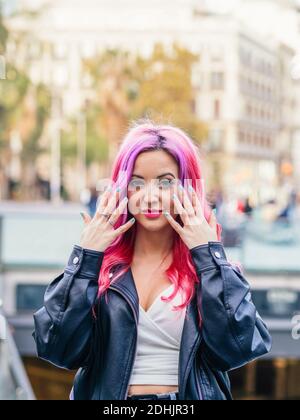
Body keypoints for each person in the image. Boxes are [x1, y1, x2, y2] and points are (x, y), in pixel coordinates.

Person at [32, 121, 272, 400]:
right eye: (137, 182)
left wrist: (208, 256)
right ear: (122, 188)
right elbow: (56, 346)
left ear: (188, 187)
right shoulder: (99, 265)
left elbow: (238, 348)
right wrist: (86, 258)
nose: (151, 195)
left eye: (166, 182)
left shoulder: (207, 266)